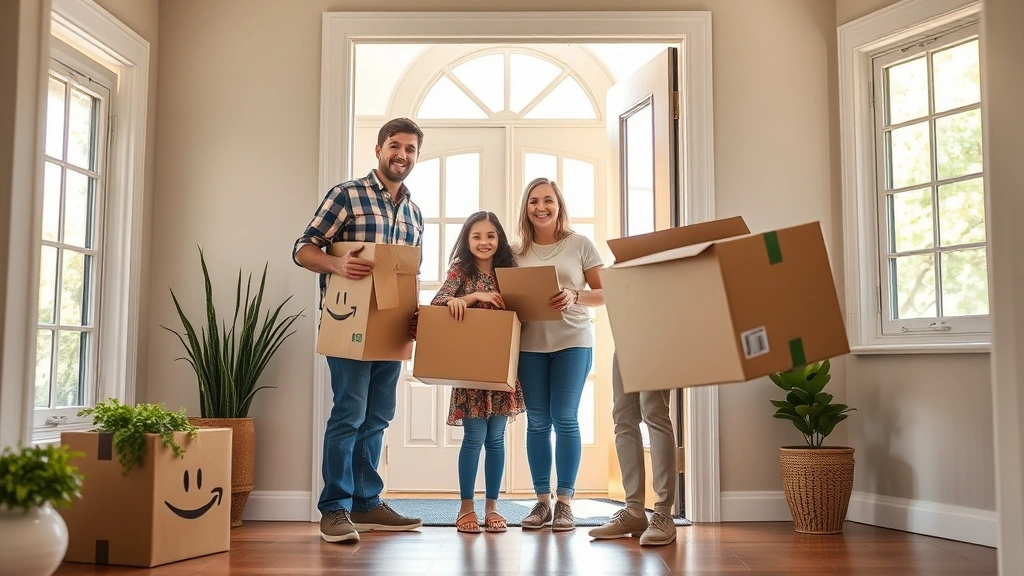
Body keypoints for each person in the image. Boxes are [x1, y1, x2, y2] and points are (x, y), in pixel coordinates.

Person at [293, 117, 425, 544]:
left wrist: (416, 314)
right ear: (379, 149)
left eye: (409, 149)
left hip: (391, 329)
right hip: (347, 325)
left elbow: (408, 273)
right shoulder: (347, 195)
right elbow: (303, 248)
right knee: (349, 413)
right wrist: (335, 263)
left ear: (415, 156)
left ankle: (367, 504)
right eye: (394, 145)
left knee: (378, 417)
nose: (401, 154)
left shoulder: (413, 211)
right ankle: (334, 508)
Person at [514, 177, 604, 532]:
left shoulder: (579, 244)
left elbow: (603, 292)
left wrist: (574, 294)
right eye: (534, 201)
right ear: (526, 207)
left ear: (559, 205)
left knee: (565, 417)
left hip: (573, 341)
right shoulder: (515, 250)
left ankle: (565, 502)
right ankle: (541, 502)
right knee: (537, 421)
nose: (541, 207)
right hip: (529, 346)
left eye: (548, 200)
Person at [430, 211, 526, 534]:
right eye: (476, 236)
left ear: (498, 239)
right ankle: (466, 507)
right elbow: (438, 302)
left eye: (490, 236)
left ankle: (492, 507)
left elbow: (524, 310)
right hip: (471, 372)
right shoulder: (461, 271)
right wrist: (469, 298)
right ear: (467, 240)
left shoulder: (509, 272)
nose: (484, 242)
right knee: (474, 437)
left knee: (496, 439)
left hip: (502, 369)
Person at [587, 351, 677, 545]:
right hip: (624, 336)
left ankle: (663, 513)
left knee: (654, 412)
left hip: (656, 334)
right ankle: (634, 511)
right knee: (623, 417)